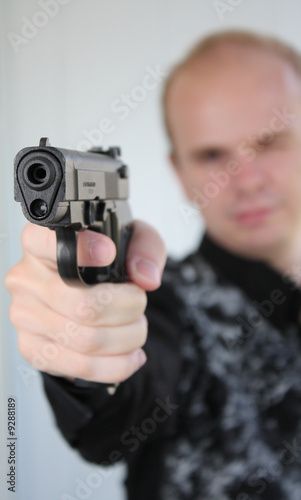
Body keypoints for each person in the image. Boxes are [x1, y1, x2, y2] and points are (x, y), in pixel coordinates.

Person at [6, 30, 301, 499]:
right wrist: (83, 344)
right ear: (180, 173)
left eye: (269, 143)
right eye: (212, 155)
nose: (245, 180)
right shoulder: (163, 304)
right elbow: (119, 411)